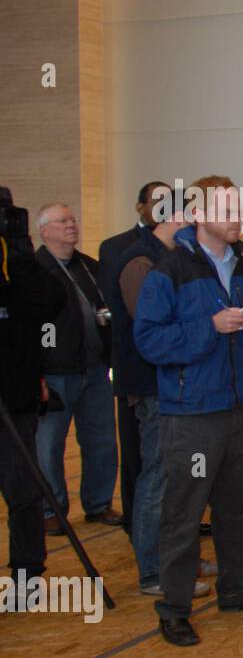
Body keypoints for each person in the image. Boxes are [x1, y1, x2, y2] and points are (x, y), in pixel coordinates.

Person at [134, 175, 243, 646]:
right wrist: (210, 326)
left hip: (238, 404)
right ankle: (175, 608)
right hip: (192, 410)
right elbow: (149, 340)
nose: (235, 215)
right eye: (224, 208)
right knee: (184, 511)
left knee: (235, 506)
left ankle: (237, 590)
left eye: (237, 206)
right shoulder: (169, 270)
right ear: (198, 214)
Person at [112, 189, 213, 597]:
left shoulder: (180, 260)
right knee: (157, 481)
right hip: (155, 387)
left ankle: (182, 559)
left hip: (182, 387)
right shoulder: (141, 262)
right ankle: (153, 570)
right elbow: (156, 330)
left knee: (182, 482)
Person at [34, 204, 122, 533]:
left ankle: (99, 504)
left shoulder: (89, 267)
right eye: (63, 221)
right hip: (55, 372)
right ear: (45, 231)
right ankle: (50, 509)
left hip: (95, 369)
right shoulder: (34, 271)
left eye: (73, 220)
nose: (72, 225)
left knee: (101, 439)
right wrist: (36, 373)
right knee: (49, 444)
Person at [98, 180, 170, 540]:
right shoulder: (121, 249)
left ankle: (164, 540)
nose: (162, 207)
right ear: (139, 206)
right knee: (141, 458)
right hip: (139, 371)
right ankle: (140, 531)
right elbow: (139, 317)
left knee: (163, 465)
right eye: (155, 201)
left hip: (167, 379)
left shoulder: (176, 251)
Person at [0, 200, 66, 581]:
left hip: (15, 399)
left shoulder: (15, 278)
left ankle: (27, 573)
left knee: (23, 491)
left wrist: (19, 249)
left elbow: (50, 302)